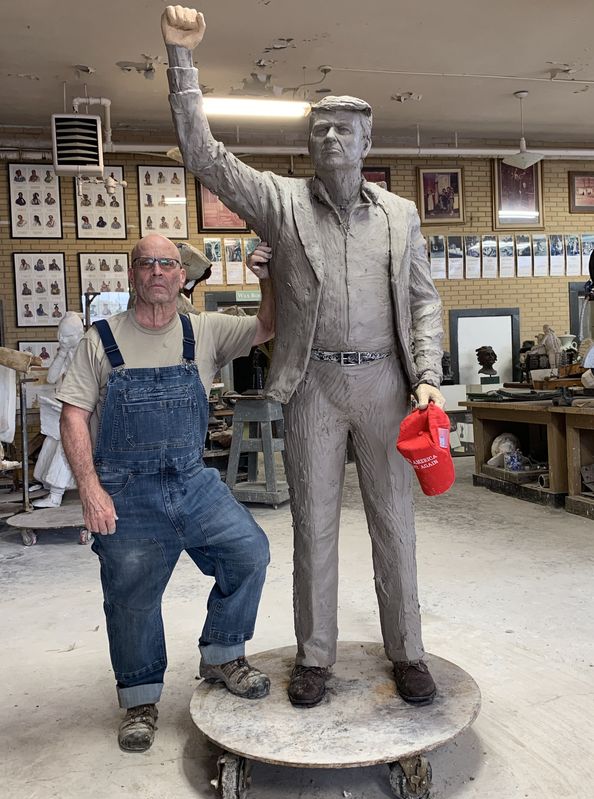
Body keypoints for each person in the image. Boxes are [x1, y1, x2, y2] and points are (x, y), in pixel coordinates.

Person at [161, 6, 445, 709]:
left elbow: (423, 301)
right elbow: (204, 157)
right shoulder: (279, 203)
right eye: (320, 129)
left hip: (386, 386)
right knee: (312, 526)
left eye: (343, 128)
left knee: (394, 524)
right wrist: (182, 60)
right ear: (308, 143)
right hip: (314, 382)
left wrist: (429, 377)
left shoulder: (400, 215)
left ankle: (407, 650)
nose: (330, 137)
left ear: (367, 140)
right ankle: (314, 655)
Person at [58, 232, 275, 752]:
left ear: (181, 276)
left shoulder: (204, 330)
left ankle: (223, 653)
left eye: (167, 263)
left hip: (192, 480)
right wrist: (89, 488)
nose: (157, 271)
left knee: (248, 551)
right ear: (132, 275)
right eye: (146, 263)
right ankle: (139, 699)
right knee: (131, 595)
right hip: (126, 489)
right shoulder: (99, 340)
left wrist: (266, 279)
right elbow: (73, 415)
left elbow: (268, 326)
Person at [32, 312, 85, 509]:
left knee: (68, 443)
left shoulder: (88, 350)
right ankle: (44, 481)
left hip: (86, 410)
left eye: (66, 336)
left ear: (78, 334)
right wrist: (62, 353)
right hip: (70, 404)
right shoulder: (67, 351)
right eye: (59, 335)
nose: (61, 339)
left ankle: (56, 494)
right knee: (52, 438)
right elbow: (52, 378)